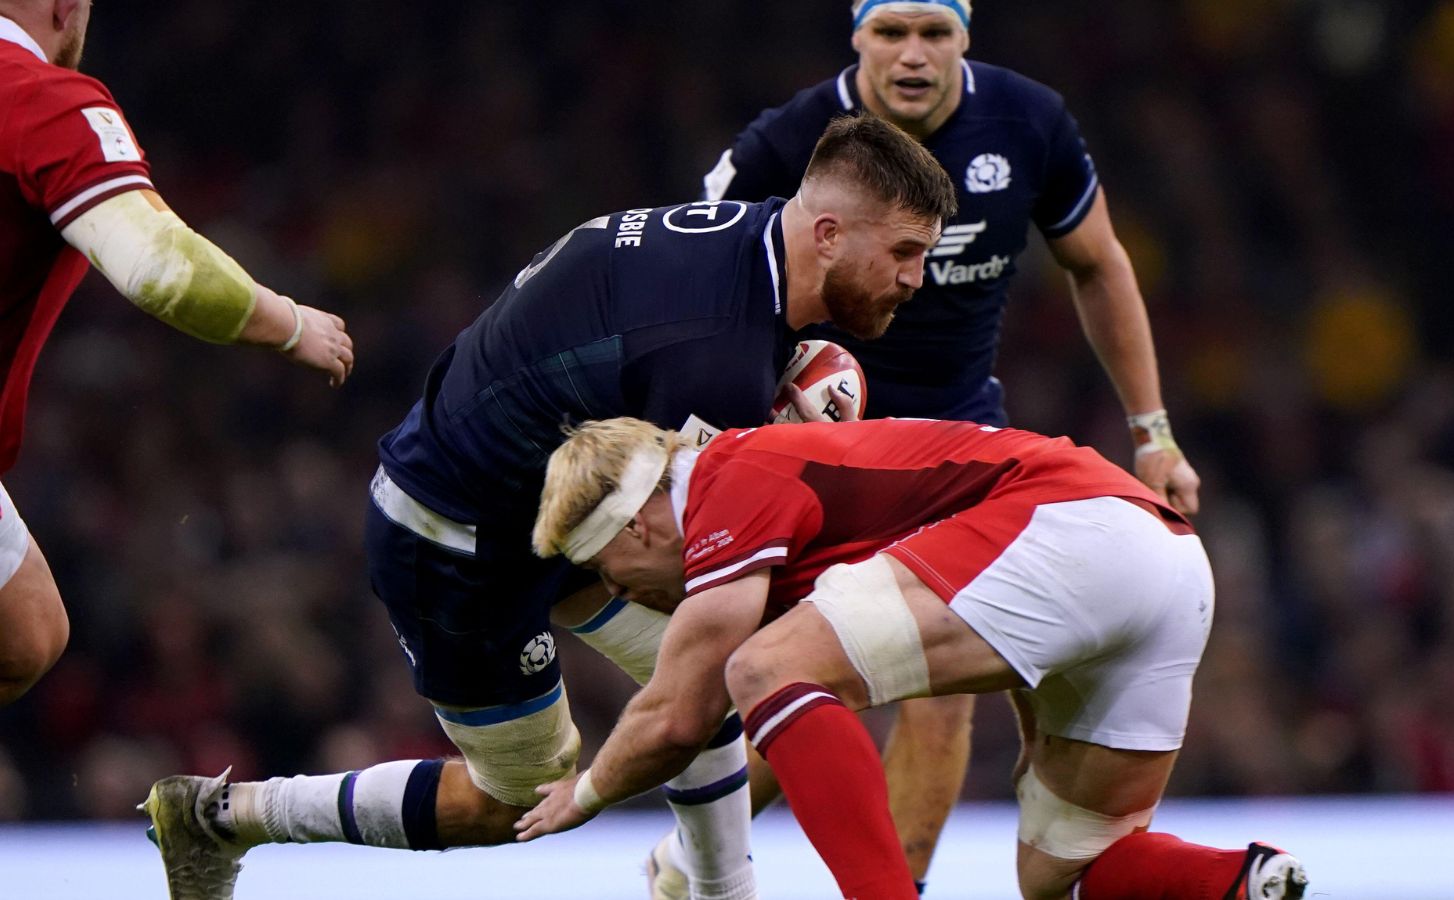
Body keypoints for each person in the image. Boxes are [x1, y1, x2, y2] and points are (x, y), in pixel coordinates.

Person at [141, 114, 957, 900]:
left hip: (563, 505)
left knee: (713, 673)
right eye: (905, 253)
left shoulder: (751, 242)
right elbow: (688, 562)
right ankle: (222, 817)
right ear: (827, 235)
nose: (917, 280)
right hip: (459, 543)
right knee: (517, 795)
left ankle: (705, 889)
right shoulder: (710, 359)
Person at [696, 1, 1202, 887]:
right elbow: (699, 269)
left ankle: (893, 885)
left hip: (966, 444)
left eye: (936, 32)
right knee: (783, 670)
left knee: (935, 697)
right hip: (826, 454)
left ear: (968, 36)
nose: (914, 55)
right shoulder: (790, 139)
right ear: (856, 36)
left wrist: (1153, 433)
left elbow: (1098, 263)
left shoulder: (1028, 121)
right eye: (891, 32)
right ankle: (695, 860)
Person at [518, 416, 1307, 900]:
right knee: (1063, 874)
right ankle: (1241, 881)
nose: (647, 601)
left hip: (1076, 533)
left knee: (760, 667)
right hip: (1166, 562)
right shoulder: (773, 472)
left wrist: (581, 796)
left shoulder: (725, 480)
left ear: (634, 531)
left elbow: (679, 713)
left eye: (623, 582)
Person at [0, 0, 353, 707]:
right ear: (66, 8)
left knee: (26, 632)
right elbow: (160, 266)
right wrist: (288, 323)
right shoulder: (39, 99)